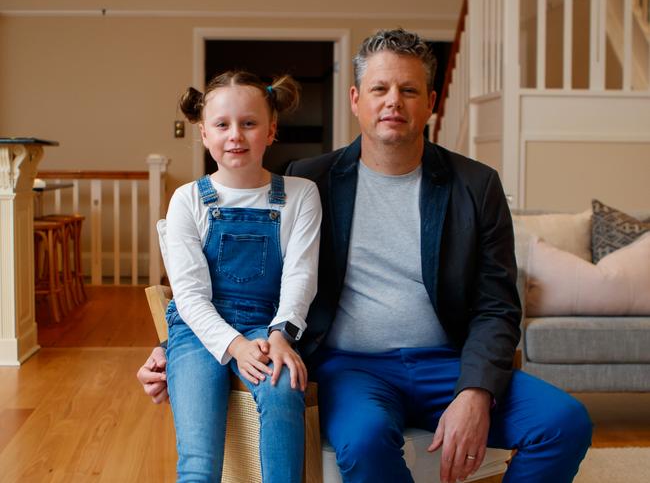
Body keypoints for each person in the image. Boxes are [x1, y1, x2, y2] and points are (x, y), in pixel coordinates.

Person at [138, 29, 592, 483]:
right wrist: (172, 350)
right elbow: (261, 284)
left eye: (409, 90)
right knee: (365, 441)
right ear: (356, 99)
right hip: (353, 368)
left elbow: (498, 305)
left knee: (564, 422)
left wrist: (474, 390)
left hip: (448, 362)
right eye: (379, 89)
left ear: (430, 101)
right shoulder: (310, 182)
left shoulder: (475, 186)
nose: (393, 101)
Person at [158, 70, 322, 482]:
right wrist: (235, 346)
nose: (236, 135)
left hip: (267, 327)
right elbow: (190, 296)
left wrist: (281, 335)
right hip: (197, 331)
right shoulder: (187, 199)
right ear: (203, 134)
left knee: (285, 392)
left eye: (249, 123)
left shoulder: (301, 195)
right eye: (222, 125)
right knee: (199, 459)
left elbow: (301, 276)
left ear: (271, 131)